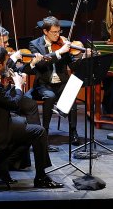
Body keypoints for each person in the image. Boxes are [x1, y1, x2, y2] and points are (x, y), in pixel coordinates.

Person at [0, 45, 57, 188]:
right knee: (39, 132)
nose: (7, 65)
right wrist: (19, 86)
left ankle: (3, 167)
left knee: (30, 130)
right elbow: (13, 104)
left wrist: (5, 86)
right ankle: (41, 177)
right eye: (5, 63)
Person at [27, 16, 82, 146]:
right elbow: (40, 65)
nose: (57, 35)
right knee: (50, 96)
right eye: (54, 32)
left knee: (71, 95)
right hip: (43, 84)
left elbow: (73, 66)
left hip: (61, 83)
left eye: (59, 32)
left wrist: (80, 56)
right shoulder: (34, 44)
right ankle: (44, 132)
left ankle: (73, 131)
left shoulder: (63, 43)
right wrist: (59, 53)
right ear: (45, 31)